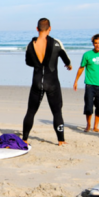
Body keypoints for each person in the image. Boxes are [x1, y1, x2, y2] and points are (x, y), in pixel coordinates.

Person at [22, 18, 72, 146]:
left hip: (37, 82)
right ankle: (61, 140)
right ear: (50, 28)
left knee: (31, 111)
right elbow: (65, 58)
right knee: (57, 112)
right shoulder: (56, 43)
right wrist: (69, 65)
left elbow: (28, 62)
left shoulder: (30, 45)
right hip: (52, 83)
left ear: (37, 28)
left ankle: (25, 139)